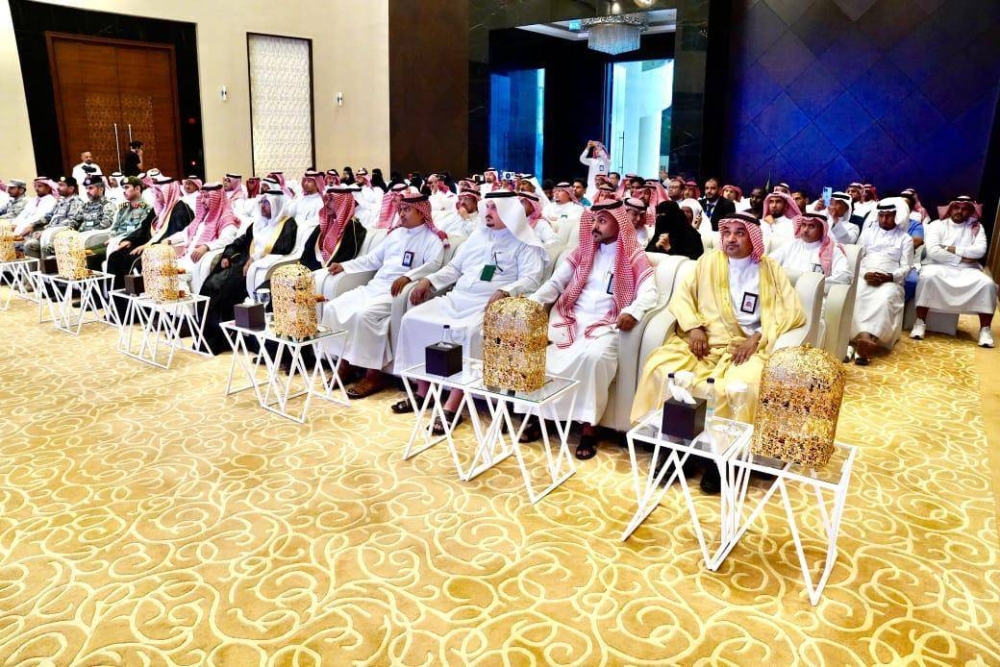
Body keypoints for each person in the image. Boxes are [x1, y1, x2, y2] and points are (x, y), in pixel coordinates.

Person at [631, 212, 805, 492]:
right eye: (727, 233)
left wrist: (757, 338)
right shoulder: (708, 262)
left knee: (743, 385)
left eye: (740, 233)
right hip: (704, 341)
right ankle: (678, 448)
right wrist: (693, 327)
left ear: (753, 238)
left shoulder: (770, 269)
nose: (731, 239)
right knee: (665, 368)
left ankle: (724, 458)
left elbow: (791, 312)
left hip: (746, 348)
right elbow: (683, 297)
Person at [392, 192, 549, 428]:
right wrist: (429, 280)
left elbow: (532, 278)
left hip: (487, 306)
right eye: (487, 207)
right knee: (413, 320)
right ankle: (423, 391)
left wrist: (506, 290)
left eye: (494, 208)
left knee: (468, 333)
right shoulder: (477, 236)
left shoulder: (525, 242)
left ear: (509, 211)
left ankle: (452, 406)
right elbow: (454, 268)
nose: (488, 212)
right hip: (457, 299)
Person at [522, 200, 657, 460]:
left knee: (594, 357)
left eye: (602, 221)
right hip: (570, 317)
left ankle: (588, 428)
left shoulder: (634, 255)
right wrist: (532, 303)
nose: (595, 226)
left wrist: (633, 311)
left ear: (619, 223)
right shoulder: (583, 251)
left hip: (608, 323)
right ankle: (543, 417)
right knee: (542, 350)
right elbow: (556, 283)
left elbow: (649, 292)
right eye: (593, 220)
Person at [322, 192, 446, 399]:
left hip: (396, 293)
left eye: (407, 210)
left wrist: (408, 277)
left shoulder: (432, 239)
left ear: (421, 212)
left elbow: (434, 265)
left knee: (365, 315)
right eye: (400, 209)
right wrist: (345, 266)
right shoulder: (395, 235)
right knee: (334, 307)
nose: (401, 214)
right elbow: (373, 259)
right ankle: (345, 365)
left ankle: (374, 375)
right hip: (375, 287)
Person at [199, 185, 299, 354]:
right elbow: (239, 242)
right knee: (210, 286)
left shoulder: (287, 224)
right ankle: (207, 338)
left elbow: (283, 247)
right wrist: (227, 254)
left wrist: (255, 258)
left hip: (257, 269)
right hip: (242, 265)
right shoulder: (257, 223)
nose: (263, 207)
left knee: (225, 292)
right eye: (262, 203)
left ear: (276, 204)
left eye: (267, 204)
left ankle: (220, 339)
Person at [911, 196, 995, 348]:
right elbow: (934, 252)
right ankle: (920, 322)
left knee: (987, 284)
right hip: (937, 266)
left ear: (970, 211)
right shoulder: (937, 225)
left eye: (964, 209)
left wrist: (950, 248)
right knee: (927, 277)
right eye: (956, 207)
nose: (959, 211)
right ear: (950, 209)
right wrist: (963, 258)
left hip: (968, 269)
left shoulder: (977, 228)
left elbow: (979, 251)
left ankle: (985, 330)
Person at [850, 198, 914, 365]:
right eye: (882, 215)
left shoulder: (905, 238)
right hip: (865, 275)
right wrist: (865, 274)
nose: (885, 219)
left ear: (896, 216)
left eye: (889, 216)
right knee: (857, 295)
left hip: (890, 280)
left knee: (885, 299)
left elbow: (907, 267)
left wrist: (890, 277)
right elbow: (857, 259)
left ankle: (868, 340)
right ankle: (865, 339)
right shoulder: (867, 233)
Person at [106, 177, 194, 291]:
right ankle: (115, 299)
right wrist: (130, 239)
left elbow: (173, 237)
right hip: (148, 244)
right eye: (155, 190)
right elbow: (144, 228)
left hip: (162, 249)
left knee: (130, 260)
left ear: (168, 192)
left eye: (159, 191)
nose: (155, 194)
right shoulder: (159, 207)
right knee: (115, 256)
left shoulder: (180, 210)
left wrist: (148, 246)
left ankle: (133, 299)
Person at [21, 177, 82, 258]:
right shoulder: (60, 201)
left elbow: (71, 222)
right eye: (58, 185)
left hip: (61, 235)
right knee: (29, 245)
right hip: (49, 233)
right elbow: (48, 216)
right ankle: (38, 266)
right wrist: (32, 225)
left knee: (46, 248)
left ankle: (48, 266)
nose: (58, 187)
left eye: (61, 185)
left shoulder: (76, 202)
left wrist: (45, 232)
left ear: (71, 188)